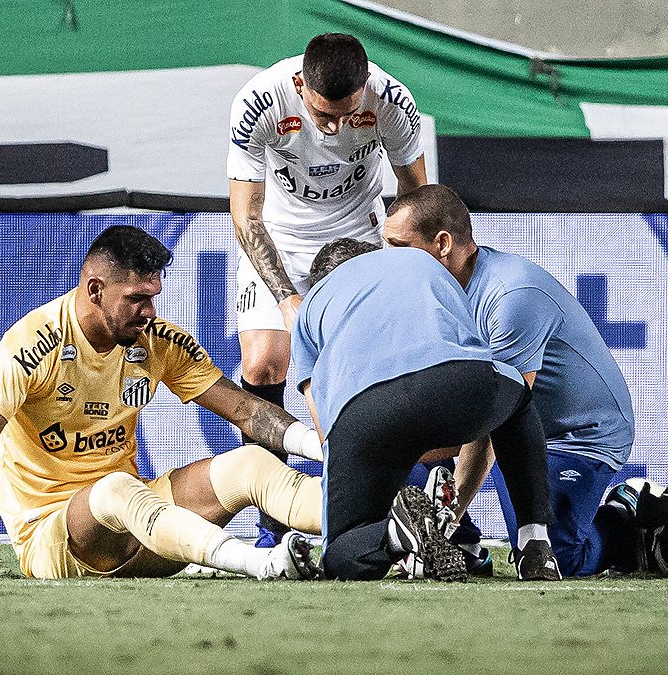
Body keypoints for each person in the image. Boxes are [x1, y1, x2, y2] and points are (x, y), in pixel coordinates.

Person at [0, 226, 325, 581]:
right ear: (95, 290)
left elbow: (246, 410)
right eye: (136, 298)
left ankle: (378, 527)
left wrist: (321, 447)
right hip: (56, 539)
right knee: (115, 488)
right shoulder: (34, 342)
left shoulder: (156, 340)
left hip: (142, 528)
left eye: (153, 298)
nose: (149, 312)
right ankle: (260, 563)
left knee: (250, 463)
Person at [227, 32, 428, 545]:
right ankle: (272, 519)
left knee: (379, 362)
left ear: (365, 85)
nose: (337, 128)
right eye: (324, 116)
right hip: (278, 238)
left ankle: (400, 508)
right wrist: (287, 297)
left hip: (358, 233)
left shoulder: (394, 102)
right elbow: (246, 214)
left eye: (348, 114)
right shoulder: (258, 101)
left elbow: (415, 197)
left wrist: (407, 274)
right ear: (300, 84)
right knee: (264, 362)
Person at [381, 184, 636, 576]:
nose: (386, 259)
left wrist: (442, 521)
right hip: (506, 426)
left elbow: (496, 422)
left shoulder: (511, 296)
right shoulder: (428, 293)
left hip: (578, 437)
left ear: (443, 244)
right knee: (393, 448)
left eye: (398, 245)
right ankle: (464, 546)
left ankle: (626, 516)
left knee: (560, 558)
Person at [292, 239, 561, 582]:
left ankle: (394, 533)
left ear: (319, 283)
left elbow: (323, 424)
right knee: (518, 397)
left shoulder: (311, 306)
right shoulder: (419, 262)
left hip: (363, 409)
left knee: (342, 555)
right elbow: (469, 342)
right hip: (455, 380)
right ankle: (534, 542)